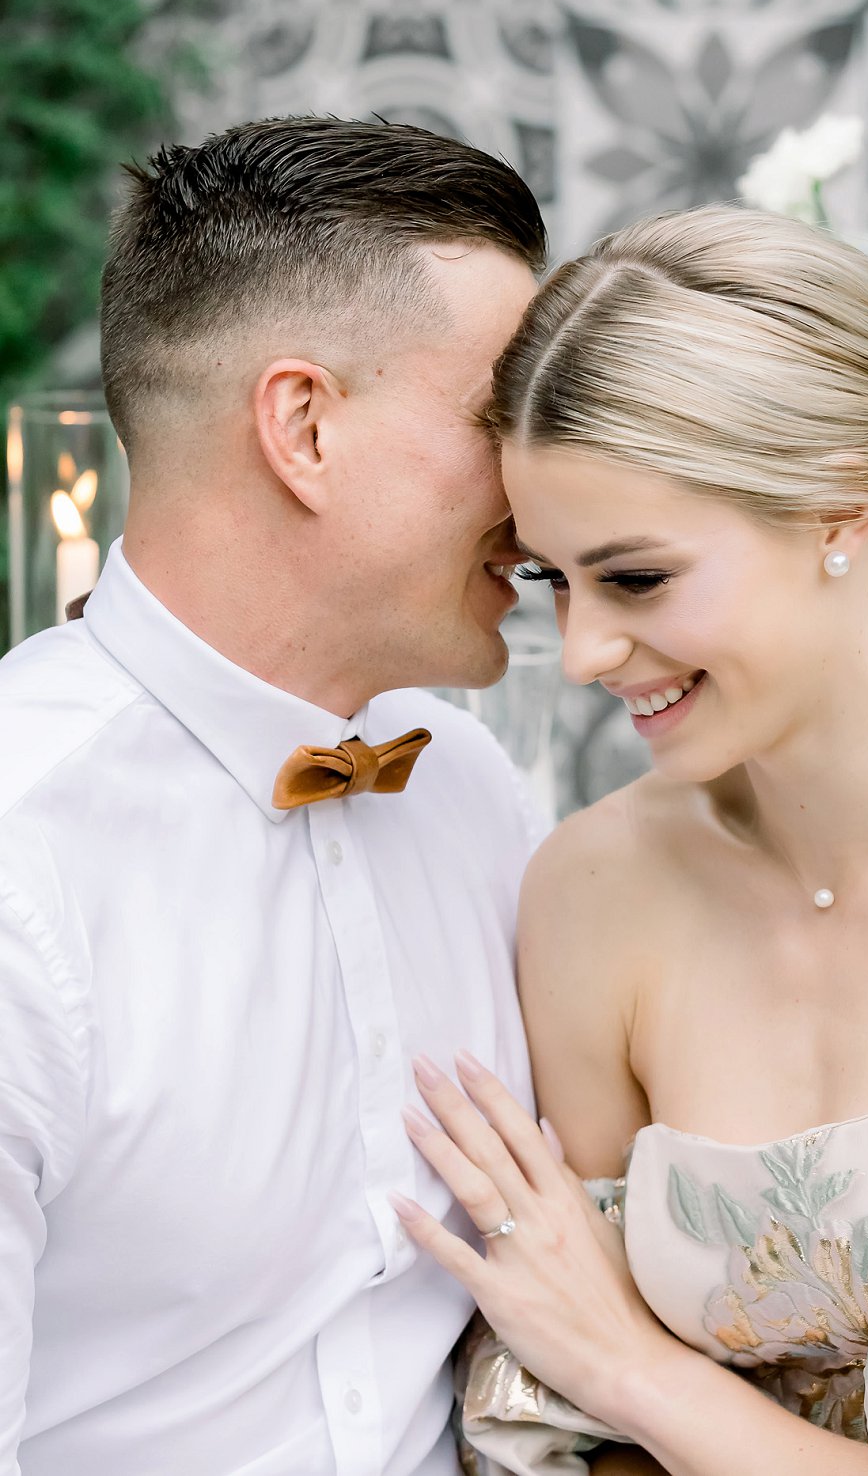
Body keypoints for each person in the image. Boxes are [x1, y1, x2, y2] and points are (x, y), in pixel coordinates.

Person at [392, 207, 868, 1475]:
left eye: (635, 578)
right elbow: (567, 1428)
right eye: (552, 580)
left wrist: (637, 1373)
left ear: (838, 509)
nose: (584, 652)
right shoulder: (598, 888)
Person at [0, 117, 549, 1476]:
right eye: (503, 416)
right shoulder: (23, 855)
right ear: (304, 426)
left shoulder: (477, 793)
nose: (547, 482)